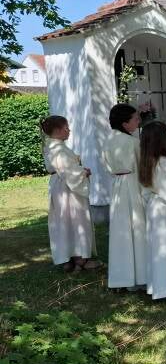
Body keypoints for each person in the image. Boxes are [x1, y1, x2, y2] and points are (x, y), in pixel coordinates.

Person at [41, 116, 98, 272]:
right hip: (67, 188)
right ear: (58, 130)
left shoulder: (52, 146)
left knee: (63, 220)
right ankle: (80, 258)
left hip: (60, 185)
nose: (69, 130)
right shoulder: (58, 148)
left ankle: (68, 258)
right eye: (66, 128)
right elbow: (68, 170)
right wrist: (83, 172)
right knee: (76, 218)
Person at [102, 103, 148, 289]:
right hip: (133, 184)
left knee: (121, 232)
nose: (138, 121)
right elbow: (142, 165)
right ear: (124, 123)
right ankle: (140, 276)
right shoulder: (132, 143)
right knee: (137, 228)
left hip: (118, 186)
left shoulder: (108, 140)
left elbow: (106, 165)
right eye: (135, 118)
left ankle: (123, 276)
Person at [139, 121, 166, 300]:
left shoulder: (146, 163)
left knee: (158, 248)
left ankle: (159, 286)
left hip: (154, 208)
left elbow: (144, 190)